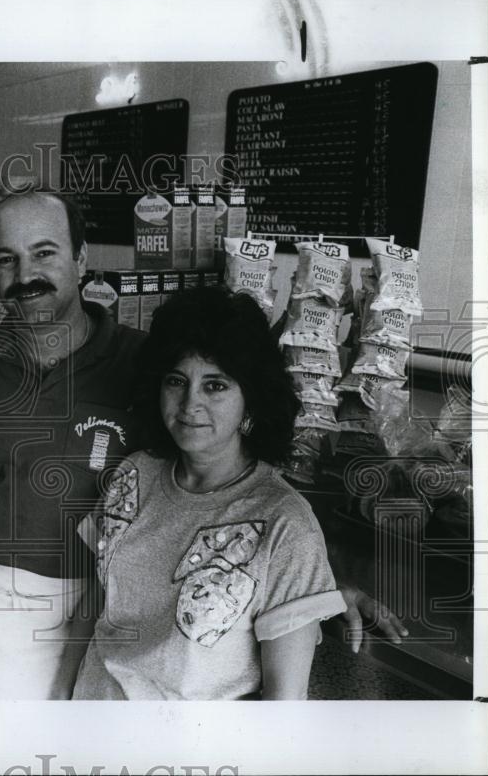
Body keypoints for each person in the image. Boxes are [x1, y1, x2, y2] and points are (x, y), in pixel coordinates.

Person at [0, 191, 406, 700]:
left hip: (81, 605)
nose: (25, 275)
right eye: (8, 259)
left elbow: (229, 494)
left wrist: (322, 586)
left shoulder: (143, 366)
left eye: (44, 253)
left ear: (80, 258)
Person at [72, 285, 345, 700]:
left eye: (215, 385)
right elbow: (91, 612)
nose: (189, 404)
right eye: (176, 381)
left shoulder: (286, 525)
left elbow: (284, 709)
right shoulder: (133, 475)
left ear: (250, 398)